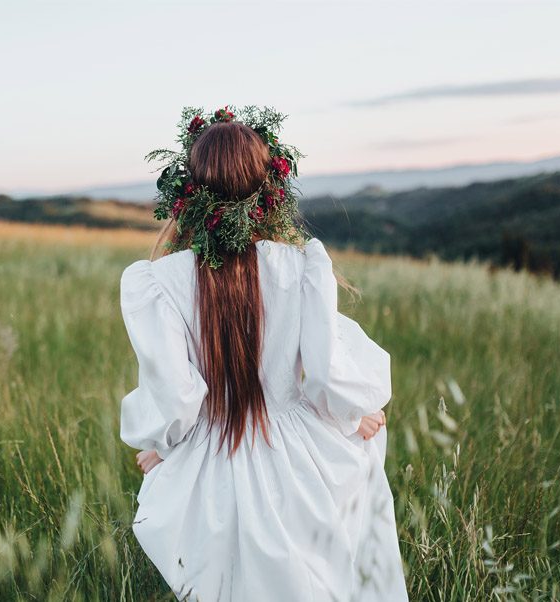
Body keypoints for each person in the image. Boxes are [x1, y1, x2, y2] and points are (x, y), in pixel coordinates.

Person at [119, 106, 407, 601]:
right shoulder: (301, 266)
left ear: (189, 191)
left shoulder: (158, 282)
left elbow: (176, 400)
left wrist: (166, 447)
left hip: (213, 460)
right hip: (297, 459)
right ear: (267, 188)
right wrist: (347, 414)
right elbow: (322, 375)